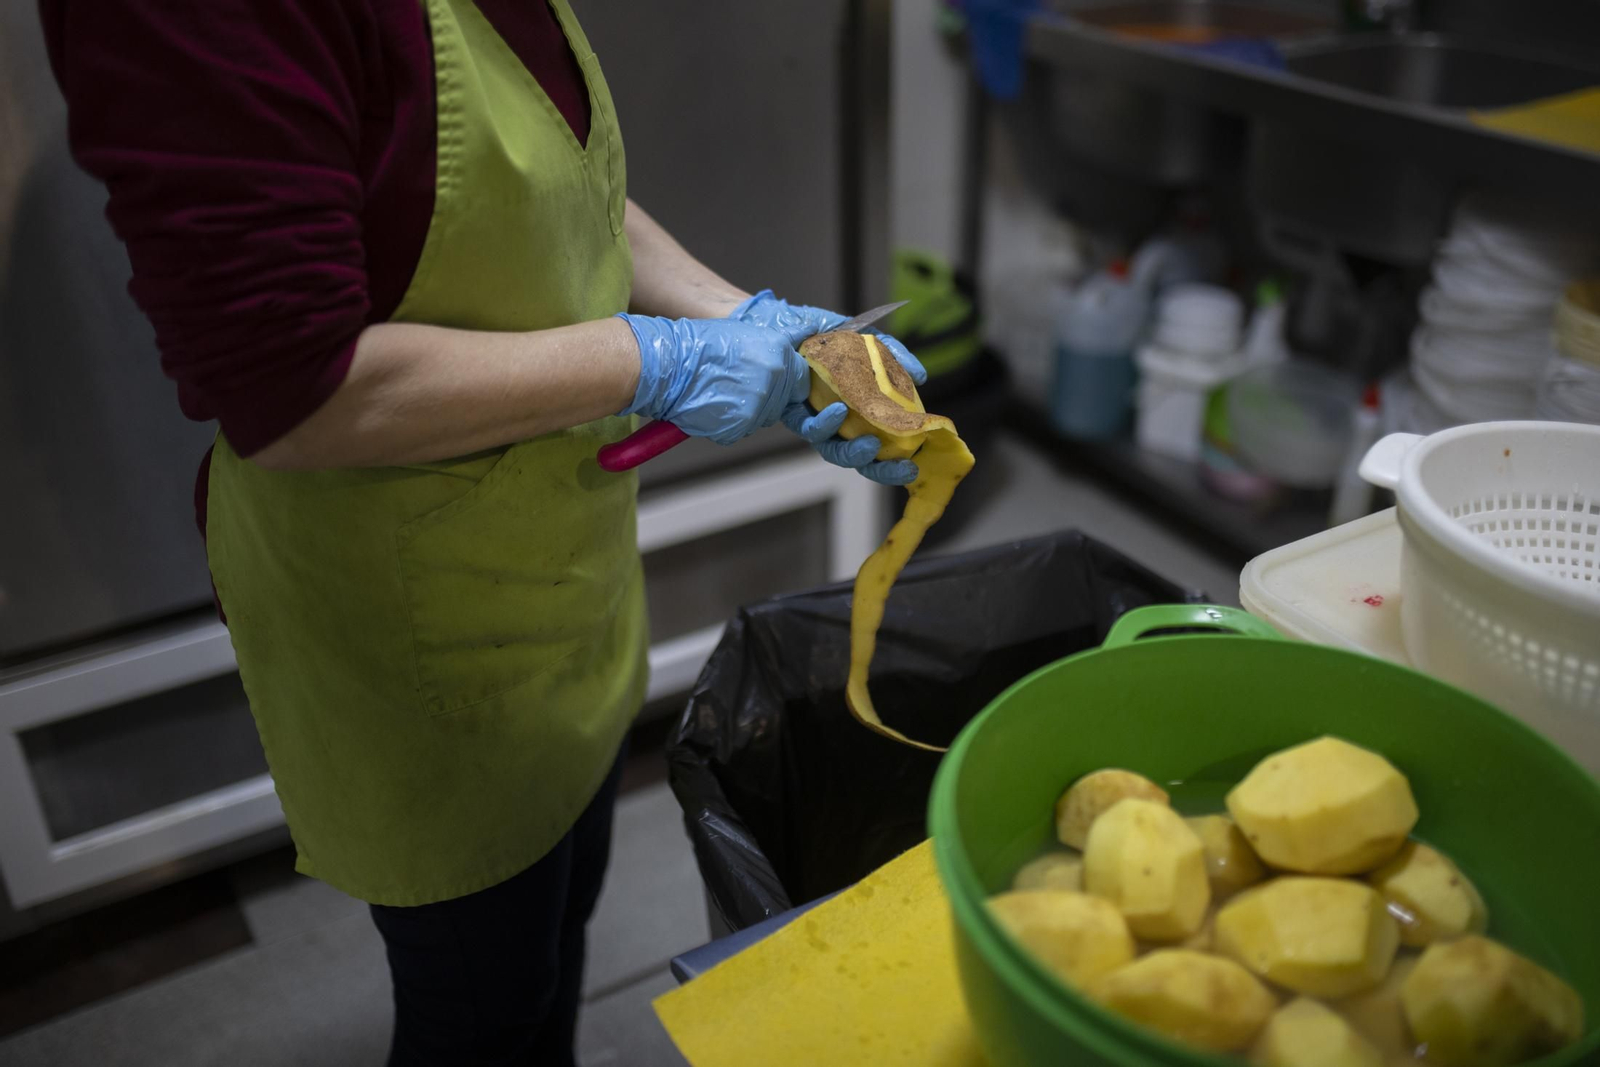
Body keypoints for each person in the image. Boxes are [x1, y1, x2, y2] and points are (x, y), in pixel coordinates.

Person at [41, 1, 924, 1063]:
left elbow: (557, 187)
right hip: (416, 613)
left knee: (556, 925)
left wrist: (750, 324)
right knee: (483, 1004)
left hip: (558, 563)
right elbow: (295, 393)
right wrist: (662, 360)